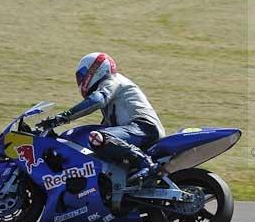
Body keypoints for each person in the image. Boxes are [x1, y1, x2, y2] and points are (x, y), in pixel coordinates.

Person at [37, 52, 166, 184]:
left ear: (95, 69)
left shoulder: (112, 80)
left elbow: (97, 100)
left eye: (82, 75)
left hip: (144, 127)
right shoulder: (113, 96)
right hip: (137, 129)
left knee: (99, 138)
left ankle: (148, 166)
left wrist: (62, 117)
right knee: (97, 141)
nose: (80, 80)